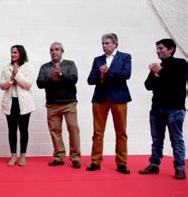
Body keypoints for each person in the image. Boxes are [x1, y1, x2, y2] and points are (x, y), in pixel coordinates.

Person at [139, 39, 187, 180]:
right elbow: (148, 85)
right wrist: (156, 74)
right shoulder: (157, 66)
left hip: (175, 108)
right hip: (157, 108)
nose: (158, 51)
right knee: (157, 139)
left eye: (161, 48)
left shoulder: (181, 64)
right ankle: (154, 164)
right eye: (157, 48)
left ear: (171, 49)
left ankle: (179, 168)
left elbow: (178, 81)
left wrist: (161, 72)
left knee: (176, 139)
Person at [87, 33, 132, 174]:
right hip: (100, 98)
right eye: (103, 43)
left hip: (119, 98)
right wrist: (100, 76)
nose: (104, 46)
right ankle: (95, 161)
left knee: (121, 132)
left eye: (107, 43)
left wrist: (108, 72)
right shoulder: (97, 60)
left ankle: (121, 163)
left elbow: (126, 74)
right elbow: (90, 80)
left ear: (115, 44)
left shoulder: (125, 57)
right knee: (98, 132)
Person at [37, 42, 81, 169]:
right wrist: (52, 79)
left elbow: (74, 79)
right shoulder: (45, 67)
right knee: (55, 131)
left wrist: (61, 75)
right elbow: (40, 83)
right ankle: (59, 156)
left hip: (69, 103)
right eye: (51, 50)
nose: (54, 52)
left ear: (62, 51)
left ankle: (75, 157)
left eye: (57, 50)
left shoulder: (70, 64)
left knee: (73, 129)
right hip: (52, 104)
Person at [0, 45, 35, 167]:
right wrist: (10, 80)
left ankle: (23, 155)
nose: (12, 54)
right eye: (11, 52)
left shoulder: (28, 67)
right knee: (12, 130)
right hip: (11, 102)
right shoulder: (6, 67)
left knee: (23, 130)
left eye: (15, 52)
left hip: (24, 103)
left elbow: (28, 84)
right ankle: (13, 155)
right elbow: (1, 85)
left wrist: (17, 74)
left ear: (21, 53)